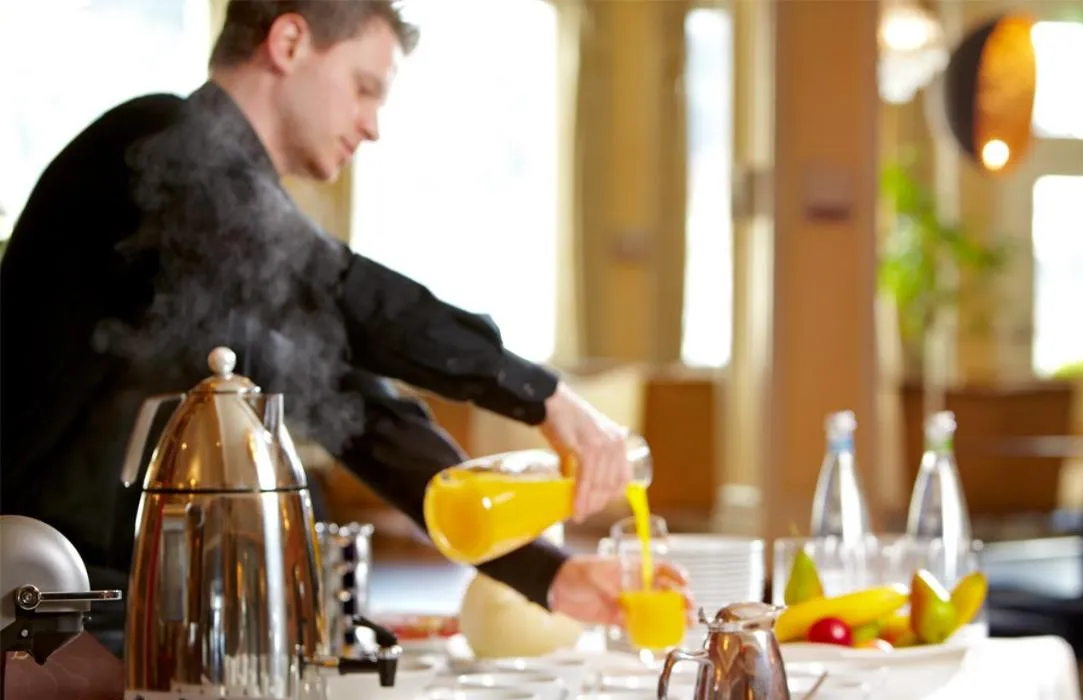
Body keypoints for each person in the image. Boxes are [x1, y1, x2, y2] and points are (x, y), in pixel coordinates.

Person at [0, 0, 685, 655]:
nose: (373, 124)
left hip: (116, 611)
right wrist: (543, 396)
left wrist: (549, 575)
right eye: (364, 88)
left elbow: (365, 418)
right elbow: (342, 291)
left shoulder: (232, 239)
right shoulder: (157, 145)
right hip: (29, 603)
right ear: (289, 43)